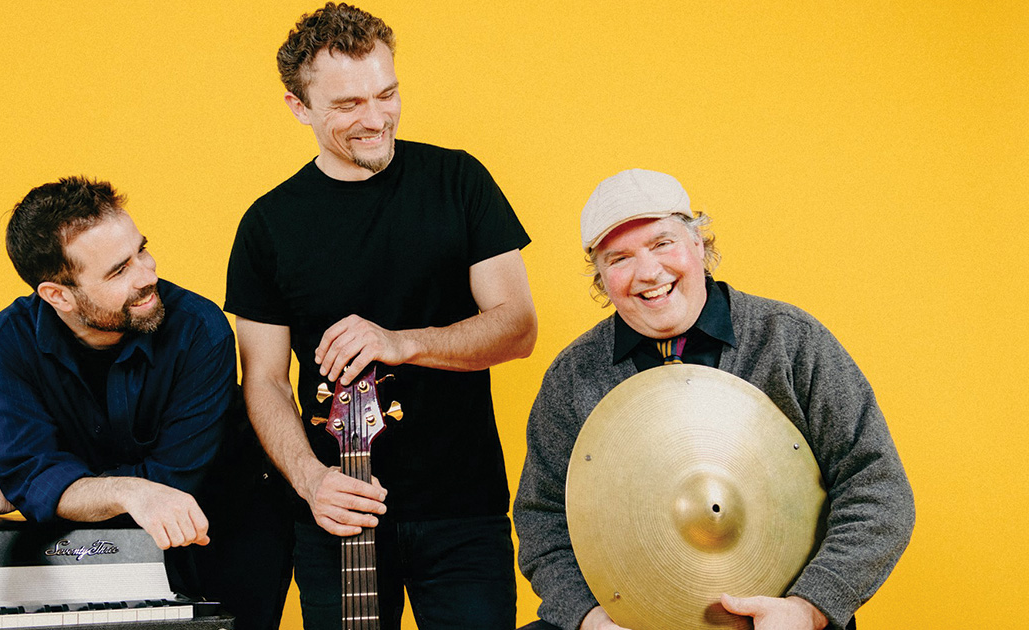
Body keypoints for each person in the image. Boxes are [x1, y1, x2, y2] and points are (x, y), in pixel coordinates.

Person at [223, 3, 537, 629]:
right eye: (347, 105)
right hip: (335, 515)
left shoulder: (458, 180)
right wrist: (312, 481)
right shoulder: (267, 225)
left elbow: (518, 326)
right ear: (299, 107)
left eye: (386, 94)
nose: (376, 119)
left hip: (461, 511)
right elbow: (263, 379)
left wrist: (401, 343)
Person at [514, 169, 914, 630]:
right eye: (619, 257)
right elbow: (541, 517)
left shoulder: (789, 341)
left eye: (663, 243)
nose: (648, 272)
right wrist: (589, 619)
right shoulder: (572, 377)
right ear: (601, 277)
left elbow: (877, 487)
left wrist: (809, 608)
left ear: (699, 244)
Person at [0, 176, 291, 630]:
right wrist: (90, 489)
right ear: (58, 296)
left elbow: (169, 485)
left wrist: (31, 490)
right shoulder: (11, 341)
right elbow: (42, 472)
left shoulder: (200, 329)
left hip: (227, 533)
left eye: (142, 250)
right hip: (96, 542)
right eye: (118, 271)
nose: (147, 274)